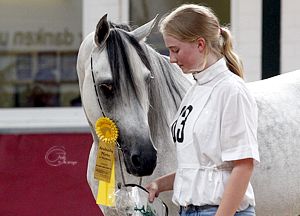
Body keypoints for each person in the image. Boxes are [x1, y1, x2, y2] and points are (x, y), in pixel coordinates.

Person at [145, 4, 260, 216]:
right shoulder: (194, 90)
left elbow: (243, 165)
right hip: (189, 210)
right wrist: (160, 184)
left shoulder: (231, 91)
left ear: (200, 44)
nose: (171, 59)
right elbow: (202, 167)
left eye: (175, 50)